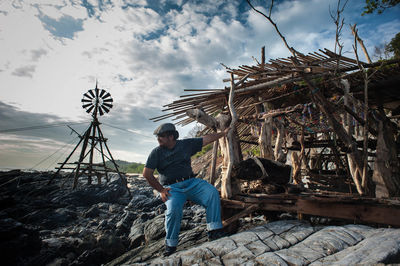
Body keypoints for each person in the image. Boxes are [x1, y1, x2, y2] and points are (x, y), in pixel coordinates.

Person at [143, 123, 229, 256]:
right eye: (157, 136)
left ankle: (214, 230)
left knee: (212, 193)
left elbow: (207, 139)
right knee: (173, 210)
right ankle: (170, 244)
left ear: (171, 136)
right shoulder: (156, 153)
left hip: (191, 182)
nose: (158, 139)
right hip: (173, 188)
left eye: (161, 136)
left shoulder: (185, 145)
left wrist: (223, 133)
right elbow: (147, 174)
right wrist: (161, 190)